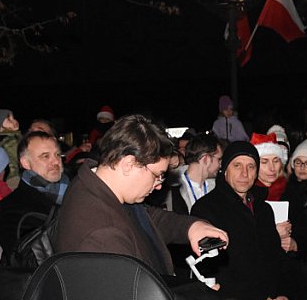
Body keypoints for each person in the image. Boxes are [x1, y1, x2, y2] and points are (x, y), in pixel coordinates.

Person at [191, 140, 307, 300]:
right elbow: (214, 272)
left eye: (251, 167)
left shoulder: (263, 210)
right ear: (225, 170)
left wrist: (284, 297)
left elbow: (277, 260)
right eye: (237, 166)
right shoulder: (207, 210)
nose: (245, 174)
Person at [54, 114, 227, 275]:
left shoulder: (97, 185)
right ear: (129, 164)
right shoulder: (102, 235)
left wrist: (190, 227)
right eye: (157, 175)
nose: (159, 186)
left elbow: (145, 217)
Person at [0, 131, 69, 257]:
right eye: (45, 156)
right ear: (25, 163)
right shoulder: (11, 207)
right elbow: (22, 258)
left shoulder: (75, 192)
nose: (56, 161)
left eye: (57, 154)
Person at [170, 133, 222, 214]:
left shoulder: (218, 187)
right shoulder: (172, 190)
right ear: (206, 159)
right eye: (218, 159)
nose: (220, 164)